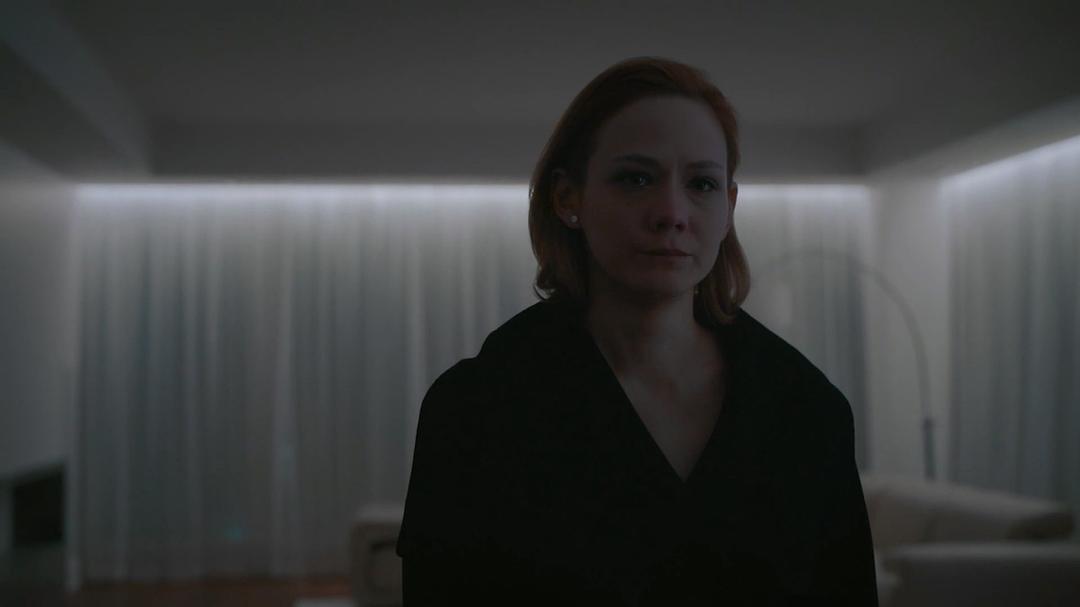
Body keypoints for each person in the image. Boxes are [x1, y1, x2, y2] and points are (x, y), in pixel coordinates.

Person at [395, 56, 879, 606]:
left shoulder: (808, 410)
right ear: (568, 198)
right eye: (636, 179)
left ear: (728, 208)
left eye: (701, 183)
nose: (671, 212)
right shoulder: (474, 408)